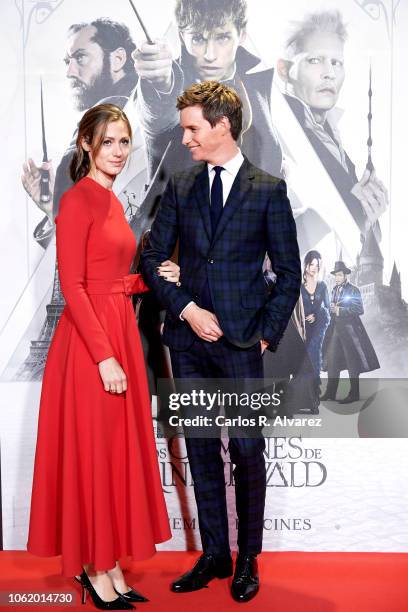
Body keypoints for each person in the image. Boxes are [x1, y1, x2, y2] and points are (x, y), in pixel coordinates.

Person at [141, 81, 300, 603]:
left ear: (221, 125)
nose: (185, 137)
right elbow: (151, 259)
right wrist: (186, 307)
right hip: (187, 342)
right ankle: (215, 554)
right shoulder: (181, 186)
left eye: (192, 128)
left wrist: (262, 337)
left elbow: (290, 274)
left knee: (248, 450)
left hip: (239, 346)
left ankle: (248, 557)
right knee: (202, 450)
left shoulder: (267, 188)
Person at [27, 104, 180, 609]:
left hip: (118, 330)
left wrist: (155, 278)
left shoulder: (111, 201)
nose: (118, 151)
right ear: (87, 145)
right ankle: (94, 568)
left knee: (113, 456)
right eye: (109, 142)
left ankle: (109, 560)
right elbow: (72, 284)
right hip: (91, 345)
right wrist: (103, 358)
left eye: (124, 142)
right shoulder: (77, 202)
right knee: (94, 454)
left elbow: (111, 276)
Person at [131, 0, 282, 236]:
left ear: (241, 35)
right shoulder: (174, 85)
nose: (210, 55)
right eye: (198, 39)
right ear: (182, 36)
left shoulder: (259, 89)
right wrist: (160, 81)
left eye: (222, 38)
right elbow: (158, 114)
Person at [22, 18, 139, 249]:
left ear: (118, 59)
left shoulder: (133, 111)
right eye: (67, 61)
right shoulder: (102, 118)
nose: (69, 71)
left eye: (80, 57)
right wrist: (53, 207)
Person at [277, 10, 388, 250]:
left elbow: (364, 241)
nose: (329, 72)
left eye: (336, 62)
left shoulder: (331, 137)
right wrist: (349, 208)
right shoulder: (274, 132)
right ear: (284, 70)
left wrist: (369, 214)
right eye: (315, 60)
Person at [321, 260, 380, 404]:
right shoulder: (334, 289)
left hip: (350, 331)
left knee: (352, 362)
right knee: (332, 360)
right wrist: (331, 309)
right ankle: (330, 392)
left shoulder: (353, 290)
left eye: (340, 275)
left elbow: (359, 309)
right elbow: (332, 308)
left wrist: (340, 310)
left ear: (345, 275)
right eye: (336, 275)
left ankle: (354, 394)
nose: (337, 278)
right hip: (335, 330)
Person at [301, 250, 330, 386]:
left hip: (319, 324)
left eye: (317, 265)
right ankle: (304, 391)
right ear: (306, 265)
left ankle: (315, 384)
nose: (314, 268)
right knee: (303, 354)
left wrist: (316, 315)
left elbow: (328, 308)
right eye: (312, 264)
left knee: (314, 348)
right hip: (303, 326)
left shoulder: (322, 286)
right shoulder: (299, 288)